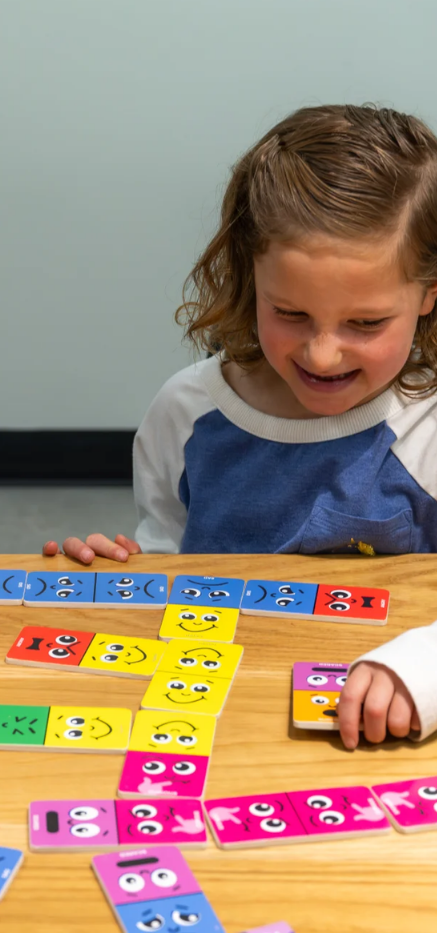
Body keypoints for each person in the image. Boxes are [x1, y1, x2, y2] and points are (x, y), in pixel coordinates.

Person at [44, 105, 437, 754]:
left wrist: (417, 672)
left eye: (364, 324)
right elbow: (169, 548)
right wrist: (121, 578)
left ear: (428, 294)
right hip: (217, 722)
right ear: (248, 278)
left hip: (391, 739)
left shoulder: (425, 427)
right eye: (290, 313)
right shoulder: (187, 411)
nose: (321, 354)